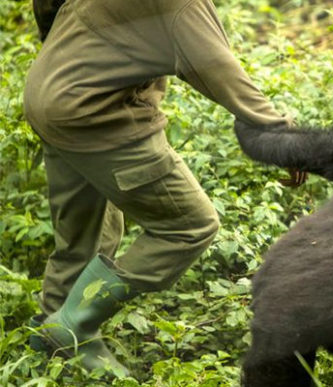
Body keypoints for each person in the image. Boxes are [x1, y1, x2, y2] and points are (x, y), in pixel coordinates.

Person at [24, 0, 305, 376]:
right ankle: (73, 324)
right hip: (97, 113)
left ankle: (48, 335)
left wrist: (65, 51)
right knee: (189, 225)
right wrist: (278, 132)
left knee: (86, 229)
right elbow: (214, 65)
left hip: (48, 93)